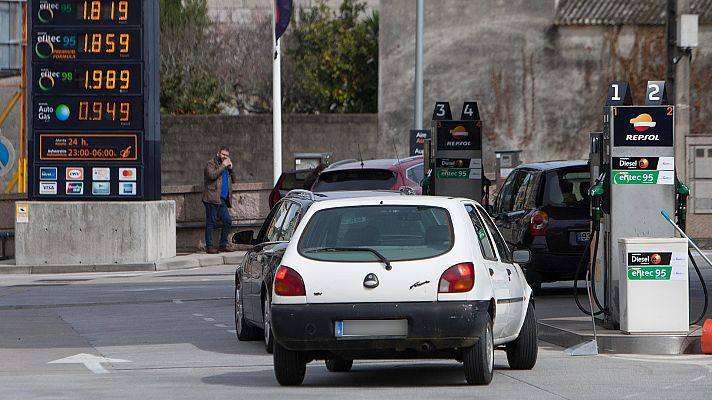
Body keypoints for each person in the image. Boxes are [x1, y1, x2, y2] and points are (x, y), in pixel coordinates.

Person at [203, 147, 238, 254]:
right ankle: (209, 246)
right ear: (218, 153)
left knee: (227, 221)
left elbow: (235, 180)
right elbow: (212, 175)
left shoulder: (226, 167)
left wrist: (231, 169)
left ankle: (223, 245)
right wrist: (223, 165)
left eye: (227, 155)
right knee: (211, 222)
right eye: (223, 154)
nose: (225, 157)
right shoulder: (211, 164)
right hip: (212, 198)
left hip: (222, 200)